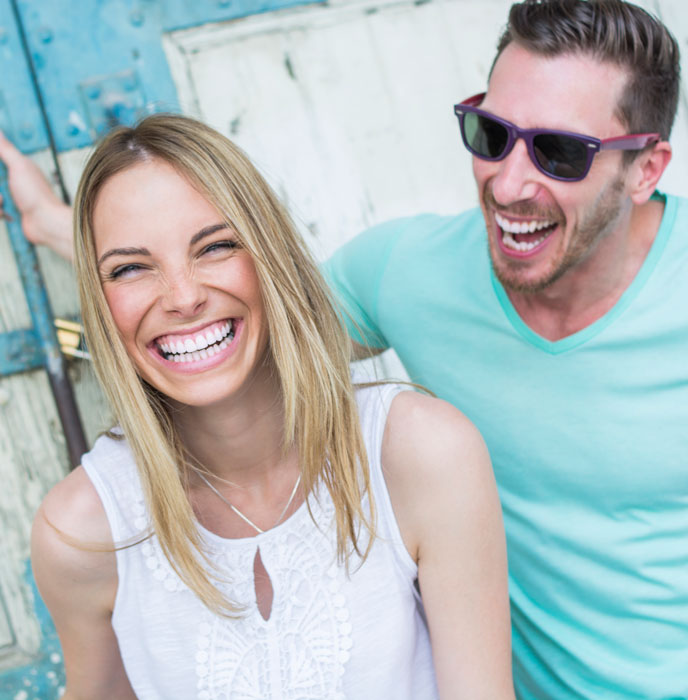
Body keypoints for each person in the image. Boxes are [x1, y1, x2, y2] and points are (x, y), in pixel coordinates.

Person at [5, 1, 688, 697]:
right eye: (491, 134)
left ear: (646, 170)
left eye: (560, 152)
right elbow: (233, 317)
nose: (510, 183)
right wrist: (60, 226)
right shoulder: (408, 273)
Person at [28, 114, 513, 699]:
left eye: (216, 247)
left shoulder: (420, 455)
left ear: (271, 258)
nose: (183, 298)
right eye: (131, 268)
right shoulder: (82, 533)